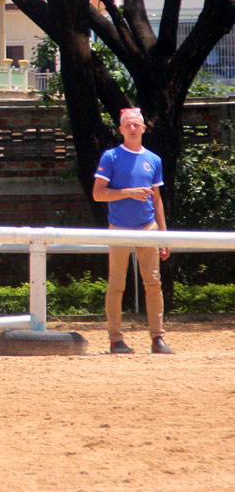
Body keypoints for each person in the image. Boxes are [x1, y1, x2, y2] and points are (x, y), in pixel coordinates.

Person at [92, 107, 174, 355]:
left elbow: (157, 199)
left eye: (136, 124)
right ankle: (115, 340)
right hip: (118, 228)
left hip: (147, 227)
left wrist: (163, 233)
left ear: (143, 128)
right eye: (127, 124)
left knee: (153, 284)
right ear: (120, 129)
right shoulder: (111, 157)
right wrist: (128, 192)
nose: (132, 127)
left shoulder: (154, 159)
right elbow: (98, 194)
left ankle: (157, 338)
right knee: (116, 285)